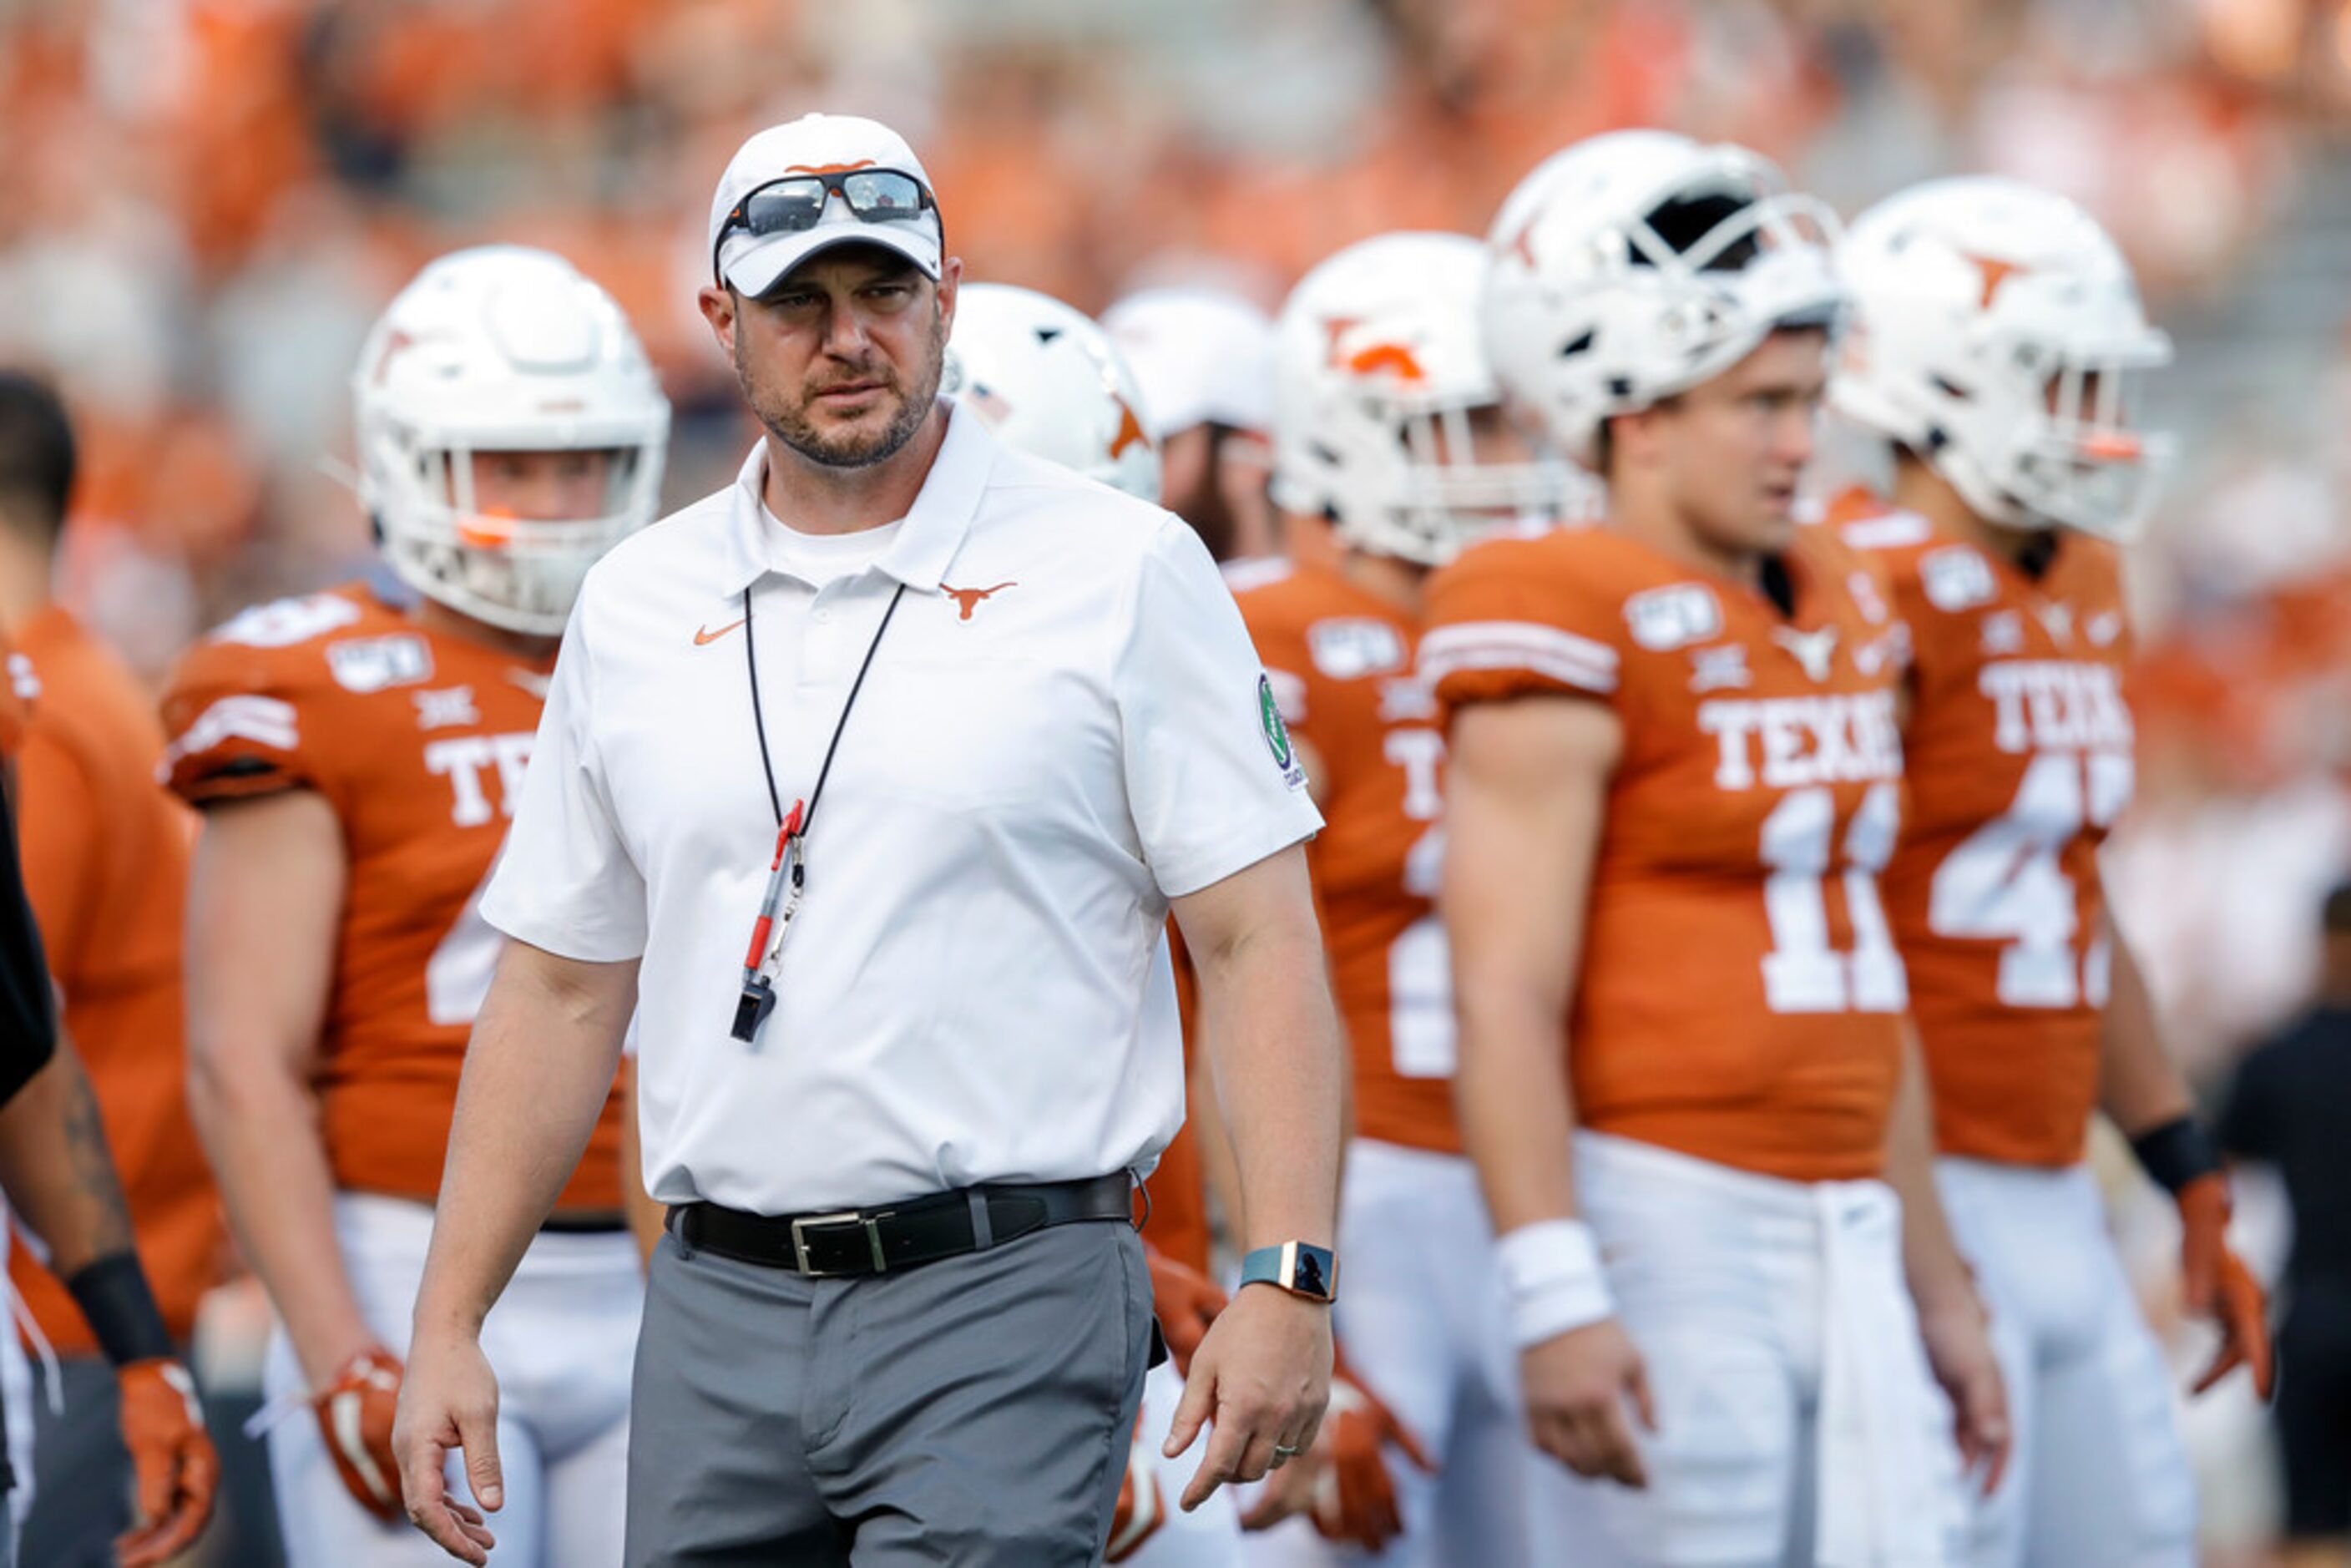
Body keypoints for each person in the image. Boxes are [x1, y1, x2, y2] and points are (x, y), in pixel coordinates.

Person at [391, 112, 1343, 1568]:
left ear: (946, 293)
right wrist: (450, 1317)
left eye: (885, 292)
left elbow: (1257, 931)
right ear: (722, 319)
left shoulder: (1123, 567)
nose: (850, 338)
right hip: (716, 1296)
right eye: (800, 303)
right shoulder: (636, 602)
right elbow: (562, 982)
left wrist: (1287, 1269)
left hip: (1006, 1279)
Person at [1422, 129, 2009, 1565]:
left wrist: (1939, 1283)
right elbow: (1498, 985)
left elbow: (1866, 981)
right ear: (1632, 409)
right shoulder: (1555, 597)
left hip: (1853, 1220)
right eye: (1758, 403)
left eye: (1808, 400)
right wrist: (1555, 1280)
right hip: (1667, 1217)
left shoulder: (1842, 598)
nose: (1801, 443)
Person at [164, 245, 670, 1566]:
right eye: (510, 463)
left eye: (581, 462)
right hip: (400, 1253)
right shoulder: (312, 678)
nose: (557, 502)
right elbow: (243, 1060)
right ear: (406, 460)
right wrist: (338, 1349)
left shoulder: (687, 656)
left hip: (662, 1264)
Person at [1829, 175, 2273, 1568]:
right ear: (1939, 379)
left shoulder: (2081, 577)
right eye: (2059, 379)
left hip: (2051, 1173)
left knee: (2139, 1529)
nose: (2095, 417)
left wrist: (2184, 1163)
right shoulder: (1854, 579)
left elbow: (2075, 895)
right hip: (1903, 1169)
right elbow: (1826, 912)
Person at [1235, 230, 1577, 1568]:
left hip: (1536, 1173)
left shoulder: (1552, 615)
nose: (1509, 458)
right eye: (1468, 423)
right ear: (1348, 433)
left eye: (1515, 419)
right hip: (1356, 1183)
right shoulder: (1269, 629)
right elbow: (1206, 967)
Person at [943, 276, 1245, 1568]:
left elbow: (1245, 980)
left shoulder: (1156, 662)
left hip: (1119, 1280)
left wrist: (1256, 1275)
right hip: (944, 1311)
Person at [0, 370, 232, 1565]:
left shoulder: (39, 716)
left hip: (63, 1304)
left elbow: (13, 1035)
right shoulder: (84, 686)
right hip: (120, 1272)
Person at [2219, 883, 2351, 1568]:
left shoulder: (2280, 1056)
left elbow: (2213, 1182)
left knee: (2313, 1533)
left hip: (2318, 1315)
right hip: (2317, 1311)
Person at [1102, 286, 1285, 572]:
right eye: (1099, 446)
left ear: (1252, 448)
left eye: (1148, 446)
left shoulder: (1315, 612)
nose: (1107, 475)